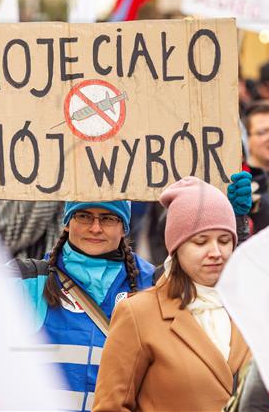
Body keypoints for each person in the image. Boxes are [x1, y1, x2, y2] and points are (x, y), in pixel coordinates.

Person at [92, 177, 251, 412]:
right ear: (176, 248)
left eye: (225, 240)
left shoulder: (250, 309)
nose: (216, 252)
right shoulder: (138, 313)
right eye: (201, 242)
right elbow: (111, 407)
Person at [11, 200, 155, 412]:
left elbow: (208, 291)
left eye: (108, 218)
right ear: (67, 222)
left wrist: (222, 228)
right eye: (84, 216)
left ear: (124, 227)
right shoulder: (28, 280)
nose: (95, 228)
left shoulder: (154, 284)